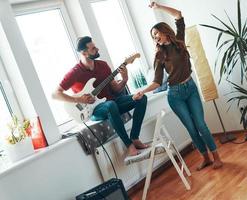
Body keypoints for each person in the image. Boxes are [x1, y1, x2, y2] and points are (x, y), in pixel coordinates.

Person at [133, 2, 223, 169]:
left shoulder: (179, 40)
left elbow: (178, 15)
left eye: (156, 33)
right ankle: (205, 158)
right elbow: (157, 81)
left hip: (190, 88)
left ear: (165, 31)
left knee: (200, 124)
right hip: (175, 95)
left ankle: (216, 156)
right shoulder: (159, 55)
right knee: (191, 128)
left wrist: (158, 6)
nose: (155, 38)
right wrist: (142, 91)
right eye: (153, 37)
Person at [53, 36, 148, 156]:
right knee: (110, 105)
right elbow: (55, 94)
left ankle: (134, 137)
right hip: (93, 111)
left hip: (112, 103)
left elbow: (116, 88)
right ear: (84, 53)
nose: (97, 49)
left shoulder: (103, 65)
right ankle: (129, 145)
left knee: (141, 98)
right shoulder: (75, 73)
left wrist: (124, 79)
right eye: (93, 48)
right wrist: (79, 99)